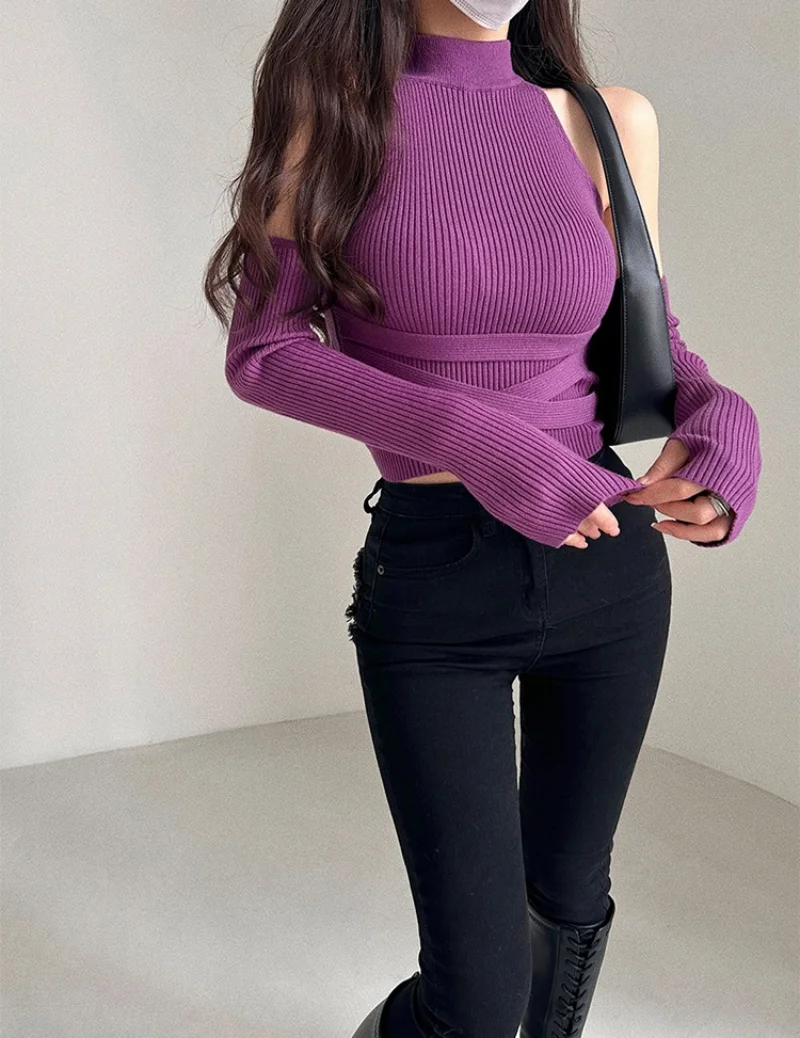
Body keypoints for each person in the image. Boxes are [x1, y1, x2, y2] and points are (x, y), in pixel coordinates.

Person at [204, 2, 762, 1036]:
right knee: (478, 995)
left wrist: (723, 419)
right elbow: (265, 354)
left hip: (610, 569)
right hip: (438, 584)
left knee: (570, 908)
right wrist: (474, 439)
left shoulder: (607, 120)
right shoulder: (332, 119)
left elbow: (652, 336)